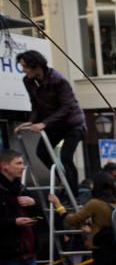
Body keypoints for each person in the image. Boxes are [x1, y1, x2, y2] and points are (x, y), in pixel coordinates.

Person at [14, 50, 86, 193]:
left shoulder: (58, 80)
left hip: (72, 123)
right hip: (55, 124)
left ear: (36, 66)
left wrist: (44, 123)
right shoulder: (28, 81)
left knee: (66, 156)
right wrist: (31, 121)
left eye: (25, 67)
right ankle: (63, 180)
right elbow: (35, 104)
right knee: (41, 152)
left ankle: (73, 193)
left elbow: (67, 106)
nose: (23, 70)